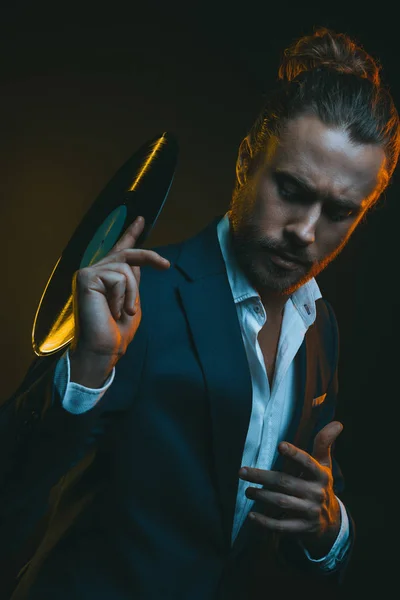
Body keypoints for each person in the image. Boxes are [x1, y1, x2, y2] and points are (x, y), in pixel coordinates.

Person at [1, 26, 399, 600]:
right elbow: (14, 483)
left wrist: (326, 526)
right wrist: (87, 368)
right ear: (246, 162)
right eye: (290, 189)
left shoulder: (322, 327)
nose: (305, 232)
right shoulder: (141, 295)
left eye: (339, 211)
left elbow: (286, 545)